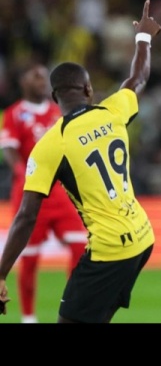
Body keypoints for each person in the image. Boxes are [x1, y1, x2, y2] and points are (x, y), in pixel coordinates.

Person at [0, 0, 161, 322]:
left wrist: (1, 273)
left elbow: (26, 216)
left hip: (110, 250)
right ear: (88, 89)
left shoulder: (50, 145)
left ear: (54, 97)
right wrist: (143, 37)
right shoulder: (114, 110)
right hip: (144, 237)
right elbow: (138, 77)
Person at [0, 63, 89, 323]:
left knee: (80, 247)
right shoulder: (15, 113)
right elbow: (9, 149)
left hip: (60, 194)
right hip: (30, 193)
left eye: (43, 76)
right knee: (29, 258)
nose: (41, 80)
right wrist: (22, 171)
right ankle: (29, 318)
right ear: (23, 82)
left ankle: (74, 306)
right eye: (35, 75)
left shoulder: (57, 112)